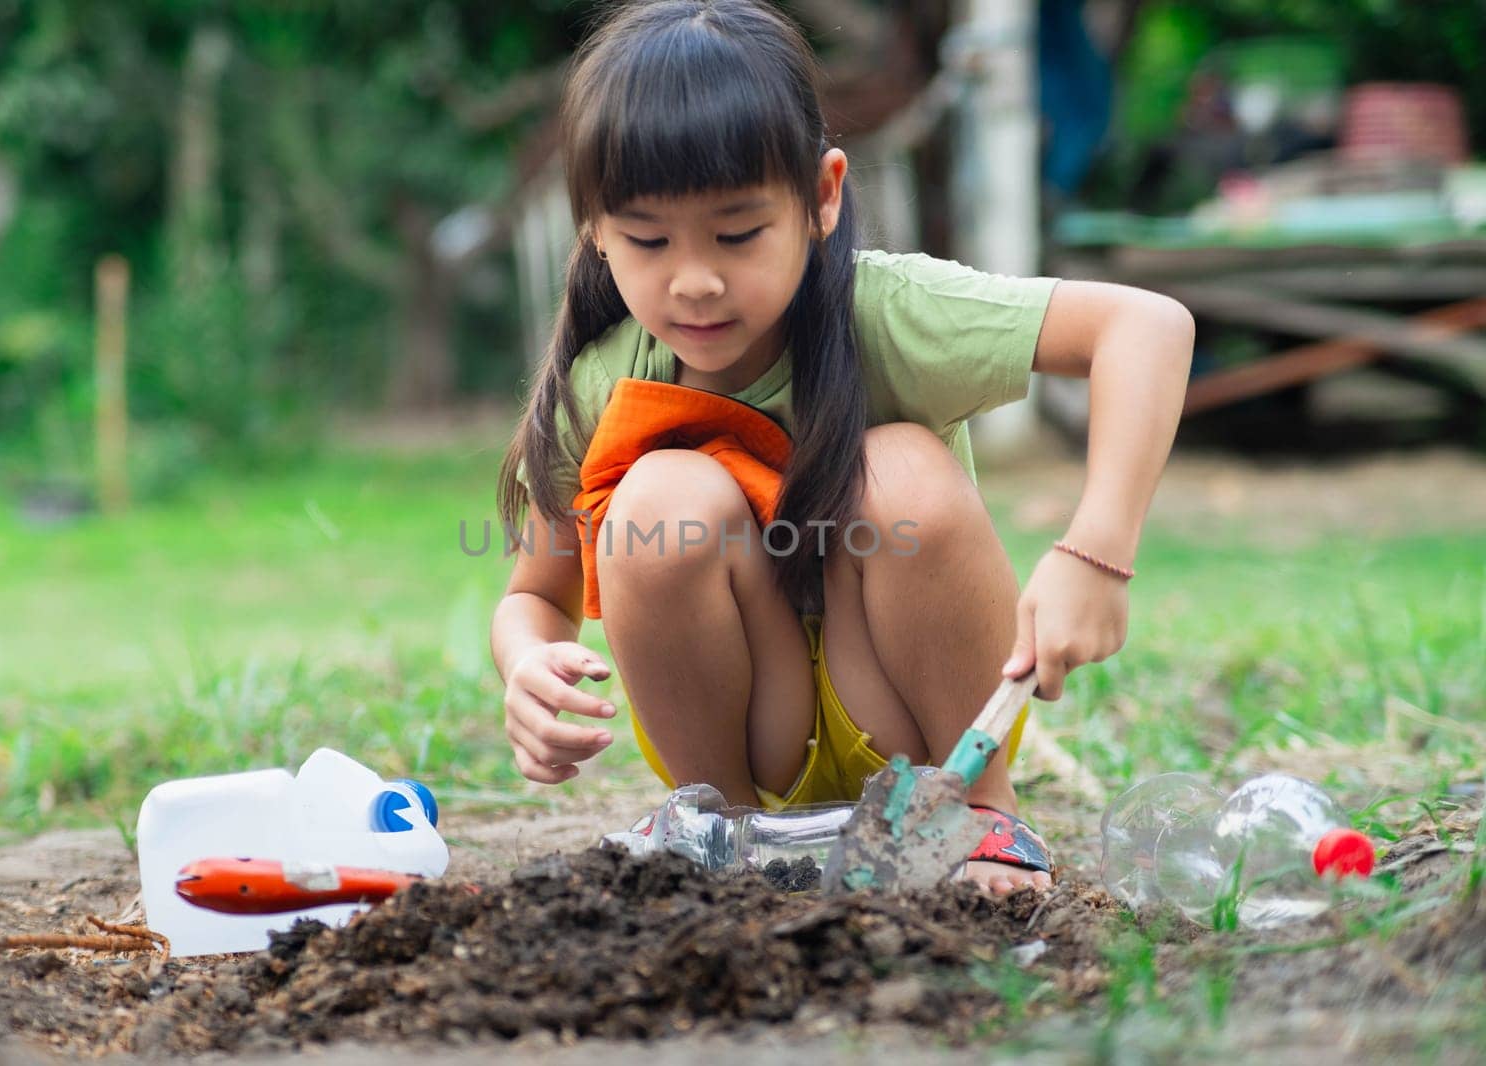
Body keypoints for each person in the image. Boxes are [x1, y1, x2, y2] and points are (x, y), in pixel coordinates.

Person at [490, 0, 1193, 896]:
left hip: (912, 714)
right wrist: (528, 664)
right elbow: (534, 598)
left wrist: (1098, 553)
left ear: (822, 196)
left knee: (898, 467)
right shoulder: (603, 377)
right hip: (756, 739)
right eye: (647, 239)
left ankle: (982, 817)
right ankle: (723, 839)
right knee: (661, 495)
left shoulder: (889, 310)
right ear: (593, 226)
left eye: (739, 233)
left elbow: (1147, 328)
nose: (696, 280)